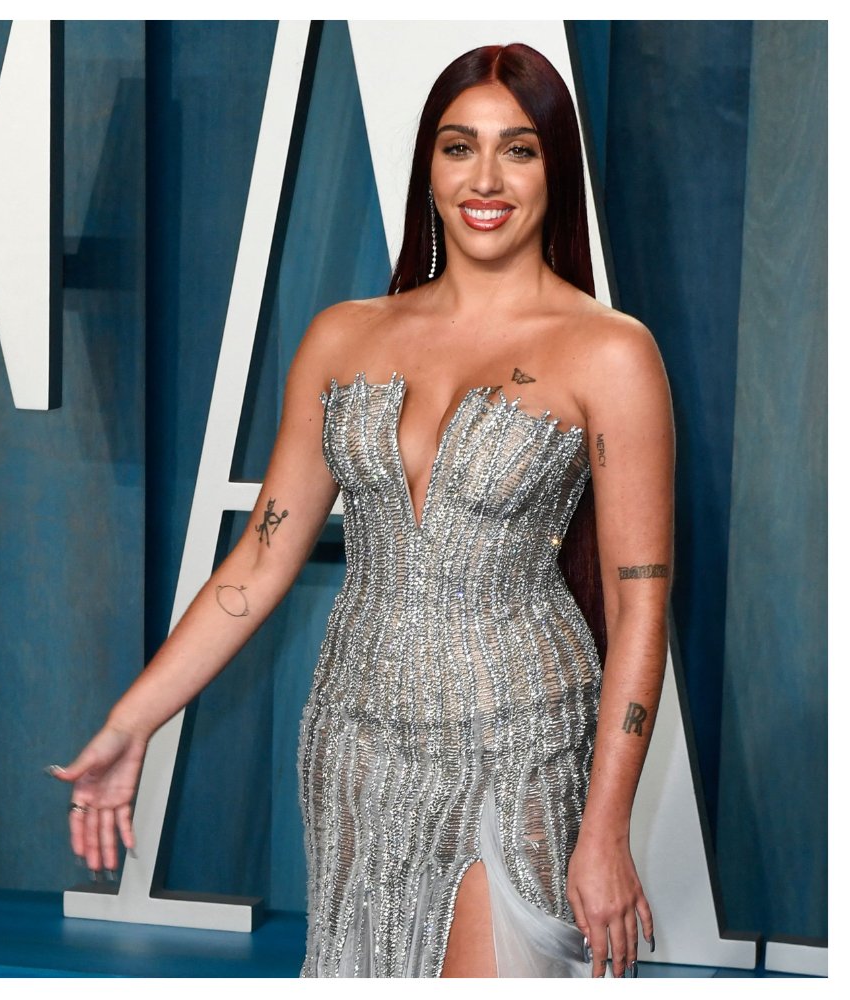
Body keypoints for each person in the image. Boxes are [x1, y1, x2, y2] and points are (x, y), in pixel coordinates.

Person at [51, 44, 671, 978]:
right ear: (428, 165)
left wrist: (607, 826)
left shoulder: (610, 353)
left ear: (558, 169)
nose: (487, 179)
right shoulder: (344, 337)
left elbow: (639, 608)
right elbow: (257, 565)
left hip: (523, 739)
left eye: (521, 149)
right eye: (461, 148)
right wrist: (131, 722)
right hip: (355, 739)